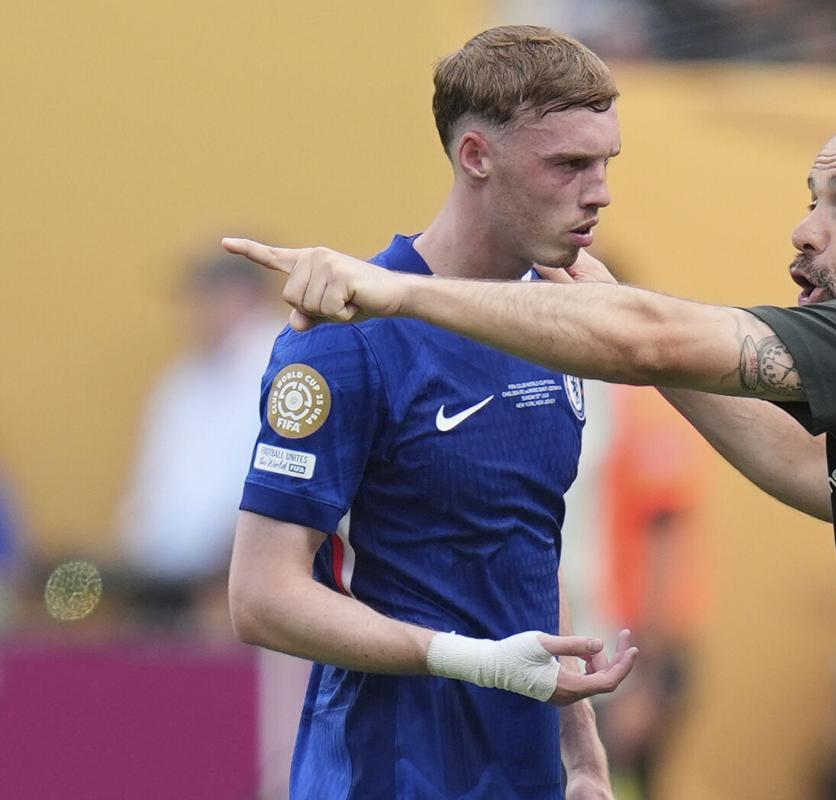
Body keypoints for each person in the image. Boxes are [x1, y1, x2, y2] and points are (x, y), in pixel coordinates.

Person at [225, 111, 836, 800]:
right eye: (811, 199)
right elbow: (805, 469)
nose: (806, 229)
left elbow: (651, 338)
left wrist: (392, 291)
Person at [225, 26, 636, 800]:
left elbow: (527, 539)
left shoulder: (559, 319)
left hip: (523, 774)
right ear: (476, 156)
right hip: (384, 770)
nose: (601, 190)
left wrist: (582, 757)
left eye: (607, 161)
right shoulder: (345, 339)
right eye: (569, 164)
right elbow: (260, 597)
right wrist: (467, 657)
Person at [117, 250, 282, 630]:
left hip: (238, 576)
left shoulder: (280, 367)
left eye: (209, 297)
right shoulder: (182, 380)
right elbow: (154, 482)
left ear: (245, 295)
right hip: (162, 579)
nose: (196, 312)